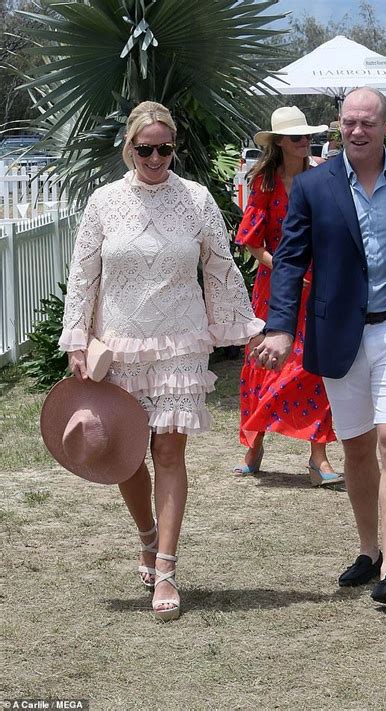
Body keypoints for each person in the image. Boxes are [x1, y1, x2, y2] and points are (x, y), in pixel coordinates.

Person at [59, 101, 264, 621]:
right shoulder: (103, 203)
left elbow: (219, 266)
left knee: (170, 453)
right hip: (118, 346)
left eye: (165, 148)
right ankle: (147, 536)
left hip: (179, 343)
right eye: (145, 148)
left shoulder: (196, 200)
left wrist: (235, 327)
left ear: (175, 147)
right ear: (130, 147)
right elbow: (84, 276)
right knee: (125, 455)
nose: (155, 157)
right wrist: (77, 339)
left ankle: (167, 569)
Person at [252, 87, 386, 604]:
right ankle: (367, 551)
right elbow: (291, 259)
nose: (357, 131)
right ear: (338, 126)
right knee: (358, 445)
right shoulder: (314, 186)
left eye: (368, 122)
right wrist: (279, 326)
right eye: (348, 123)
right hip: (339, 332)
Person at [234, 106, 343, 486]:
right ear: (280, 142)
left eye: (307, 136)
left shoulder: (322, 178)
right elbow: (251, 242)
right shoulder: (264, 182)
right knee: (266, 362)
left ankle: (318, 458)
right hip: (275, 289)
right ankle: (254, 444)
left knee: (314, 366)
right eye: (296, 137)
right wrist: (288, 272)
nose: (304, 142)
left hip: (317, 288)